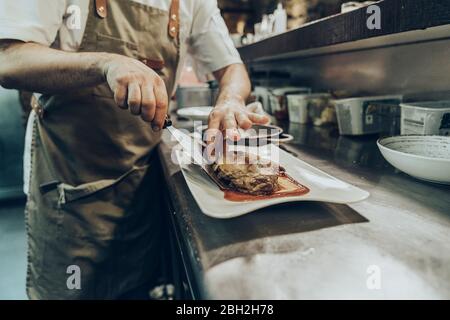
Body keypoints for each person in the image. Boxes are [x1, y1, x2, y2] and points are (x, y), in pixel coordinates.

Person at [0, 0, 269, 299]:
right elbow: (8, 59)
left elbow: (232, 68)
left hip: (141, 183)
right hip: (72, 189)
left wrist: (231, 98)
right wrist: (106, 64)